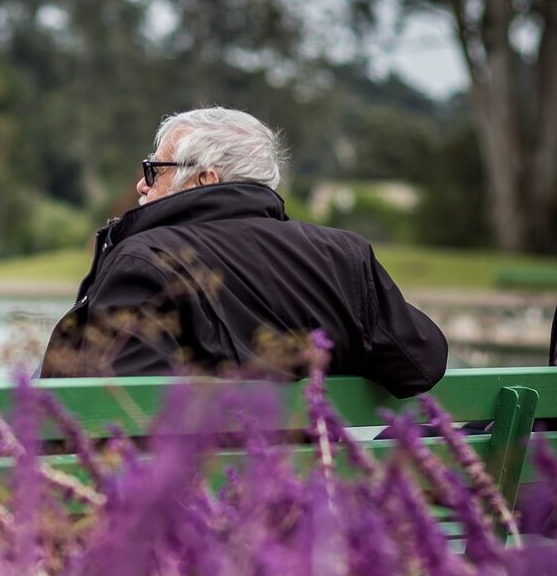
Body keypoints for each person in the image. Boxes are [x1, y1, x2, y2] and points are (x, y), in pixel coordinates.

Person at [40, 107, 448, 398]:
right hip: (310, 499)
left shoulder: (145, 261)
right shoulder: (344, 255)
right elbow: (419, 364)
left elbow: (127, 413)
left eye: (154, 171)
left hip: (191, 510)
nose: (142, 187)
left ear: (203, 178)